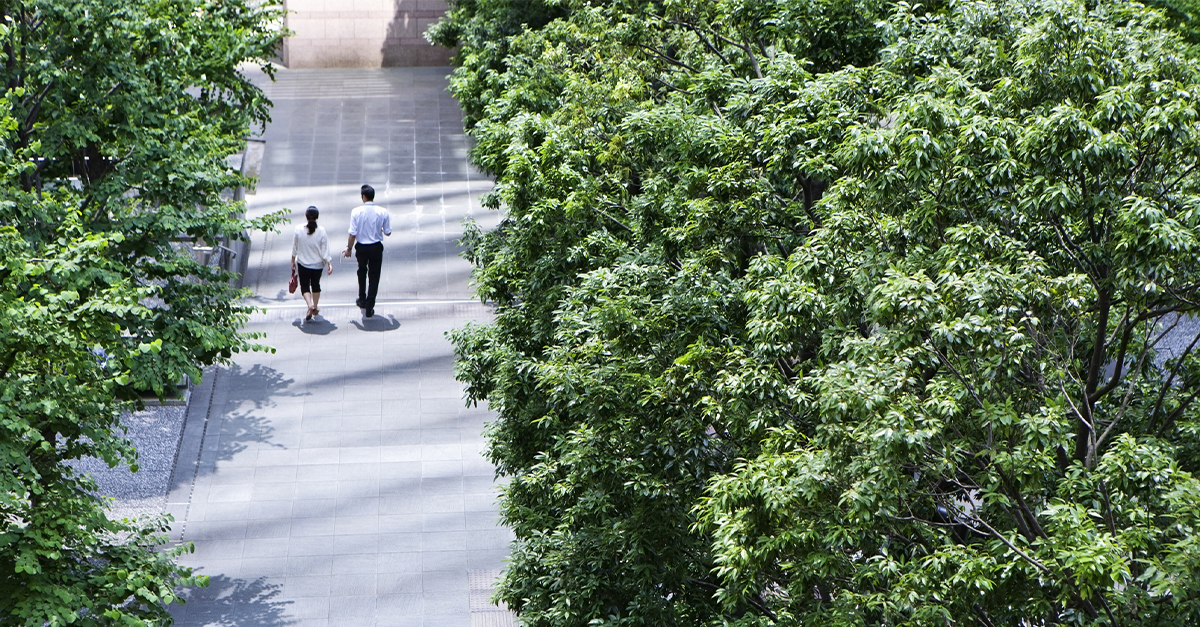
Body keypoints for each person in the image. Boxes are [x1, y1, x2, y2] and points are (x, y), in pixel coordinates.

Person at [343, 184, 391, 318]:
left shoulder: (356, 212)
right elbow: (388, 232)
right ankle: (370, 305)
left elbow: (352, 233)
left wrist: (349, 248)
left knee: (362, 271)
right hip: (376, 247)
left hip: (362, 248)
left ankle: (362, 298)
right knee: (374, 277)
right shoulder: (382, 211)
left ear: (363, 197)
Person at [291, 206, 334, 321]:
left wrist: (293, 260)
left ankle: (309, 305)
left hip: (303, 264)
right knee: (316, 285)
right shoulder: (322, 231)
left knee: (304, 286)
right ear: (317, 217)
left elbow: (295, 247)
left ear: (306, 216)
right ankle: (315, 306)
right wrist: (329, 263)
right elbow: (325, 251)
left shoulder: (298, 229)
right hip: (317, 265)